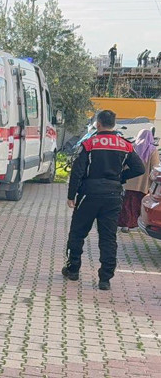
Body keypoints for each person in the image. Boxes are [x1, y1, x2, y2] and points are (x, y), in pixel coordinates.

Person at [64, 110, 145, 291]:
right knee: (108, 238)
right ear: (113, 124)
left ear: (98, 124)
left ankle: (73, 269)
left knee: (77, 232)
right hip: (113, 196)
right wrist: (120, 177)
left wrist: (71, 196)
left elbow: (77, 172)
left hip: (89, 194)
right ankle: (105, 279)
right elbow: (139, 168)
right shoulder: (125, 145)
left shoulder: (89, 144)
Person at [118, 129, 159, 232]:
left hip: (129, 182)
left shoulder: (133, 147)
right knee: (138, 205)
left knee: (127, 204)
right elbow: (155, 167)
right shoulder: (152, 150)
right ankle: (135, 224)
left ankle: (125, 224)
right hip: (143, 184)